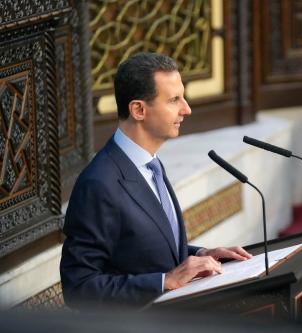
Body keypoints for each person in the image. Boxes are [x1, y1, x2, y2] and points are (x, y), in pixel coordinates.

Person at [60, 52, 252, 310]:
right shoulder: (98, 183)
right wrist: (165, 281)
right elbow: (79, 288)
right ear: (138, 109)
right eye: (174, 100)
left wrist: (199, 254)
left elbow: (143, 252)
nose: (187, 109)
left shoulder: (151, 164)